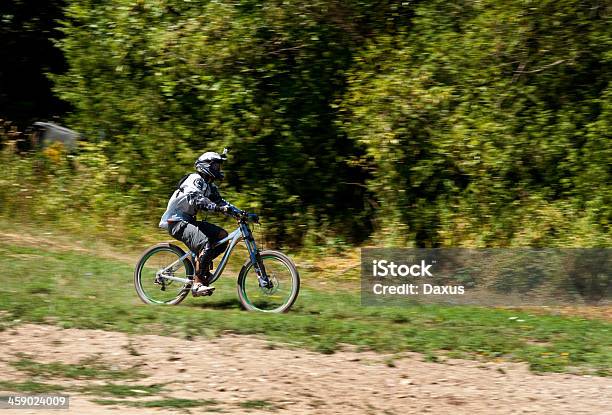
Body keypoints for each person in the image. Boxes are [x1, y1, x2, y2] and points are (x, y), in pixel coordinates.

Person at [159, 150, 242, 296]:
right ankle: (197, 283)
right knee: (206, 242)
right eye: (216, 166)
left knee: (222, 237)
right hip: (176, 221)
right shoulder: (194, 179)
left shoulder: (209, 186)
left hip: (189, 220)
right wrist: (217, 207)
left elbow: (222, 202)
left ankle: (200, 265)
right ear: (206, 166)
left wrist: (241, 213)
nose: (218, 170)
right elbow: (197, 198)